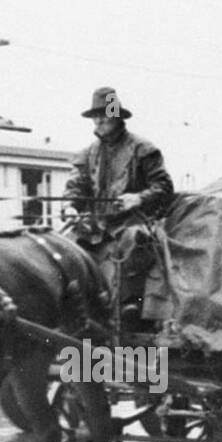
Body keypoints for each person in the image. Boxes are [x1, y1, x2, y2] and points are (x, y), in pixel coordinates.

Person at [64, 86, 174, 326]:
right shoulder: (86, 155)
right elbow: (76, 188)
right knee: (65, 247)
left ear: (116, 116)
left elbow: (164, 188)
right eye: (96, 115)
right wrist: (71, 207)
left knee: (132, 241)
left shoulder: (143, 150)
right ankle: (77, 313)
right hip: (95, 226)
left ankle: (124, 308)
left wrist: (139, 198)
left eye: (105, 114)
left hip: (135, 221)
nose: (100, 119)